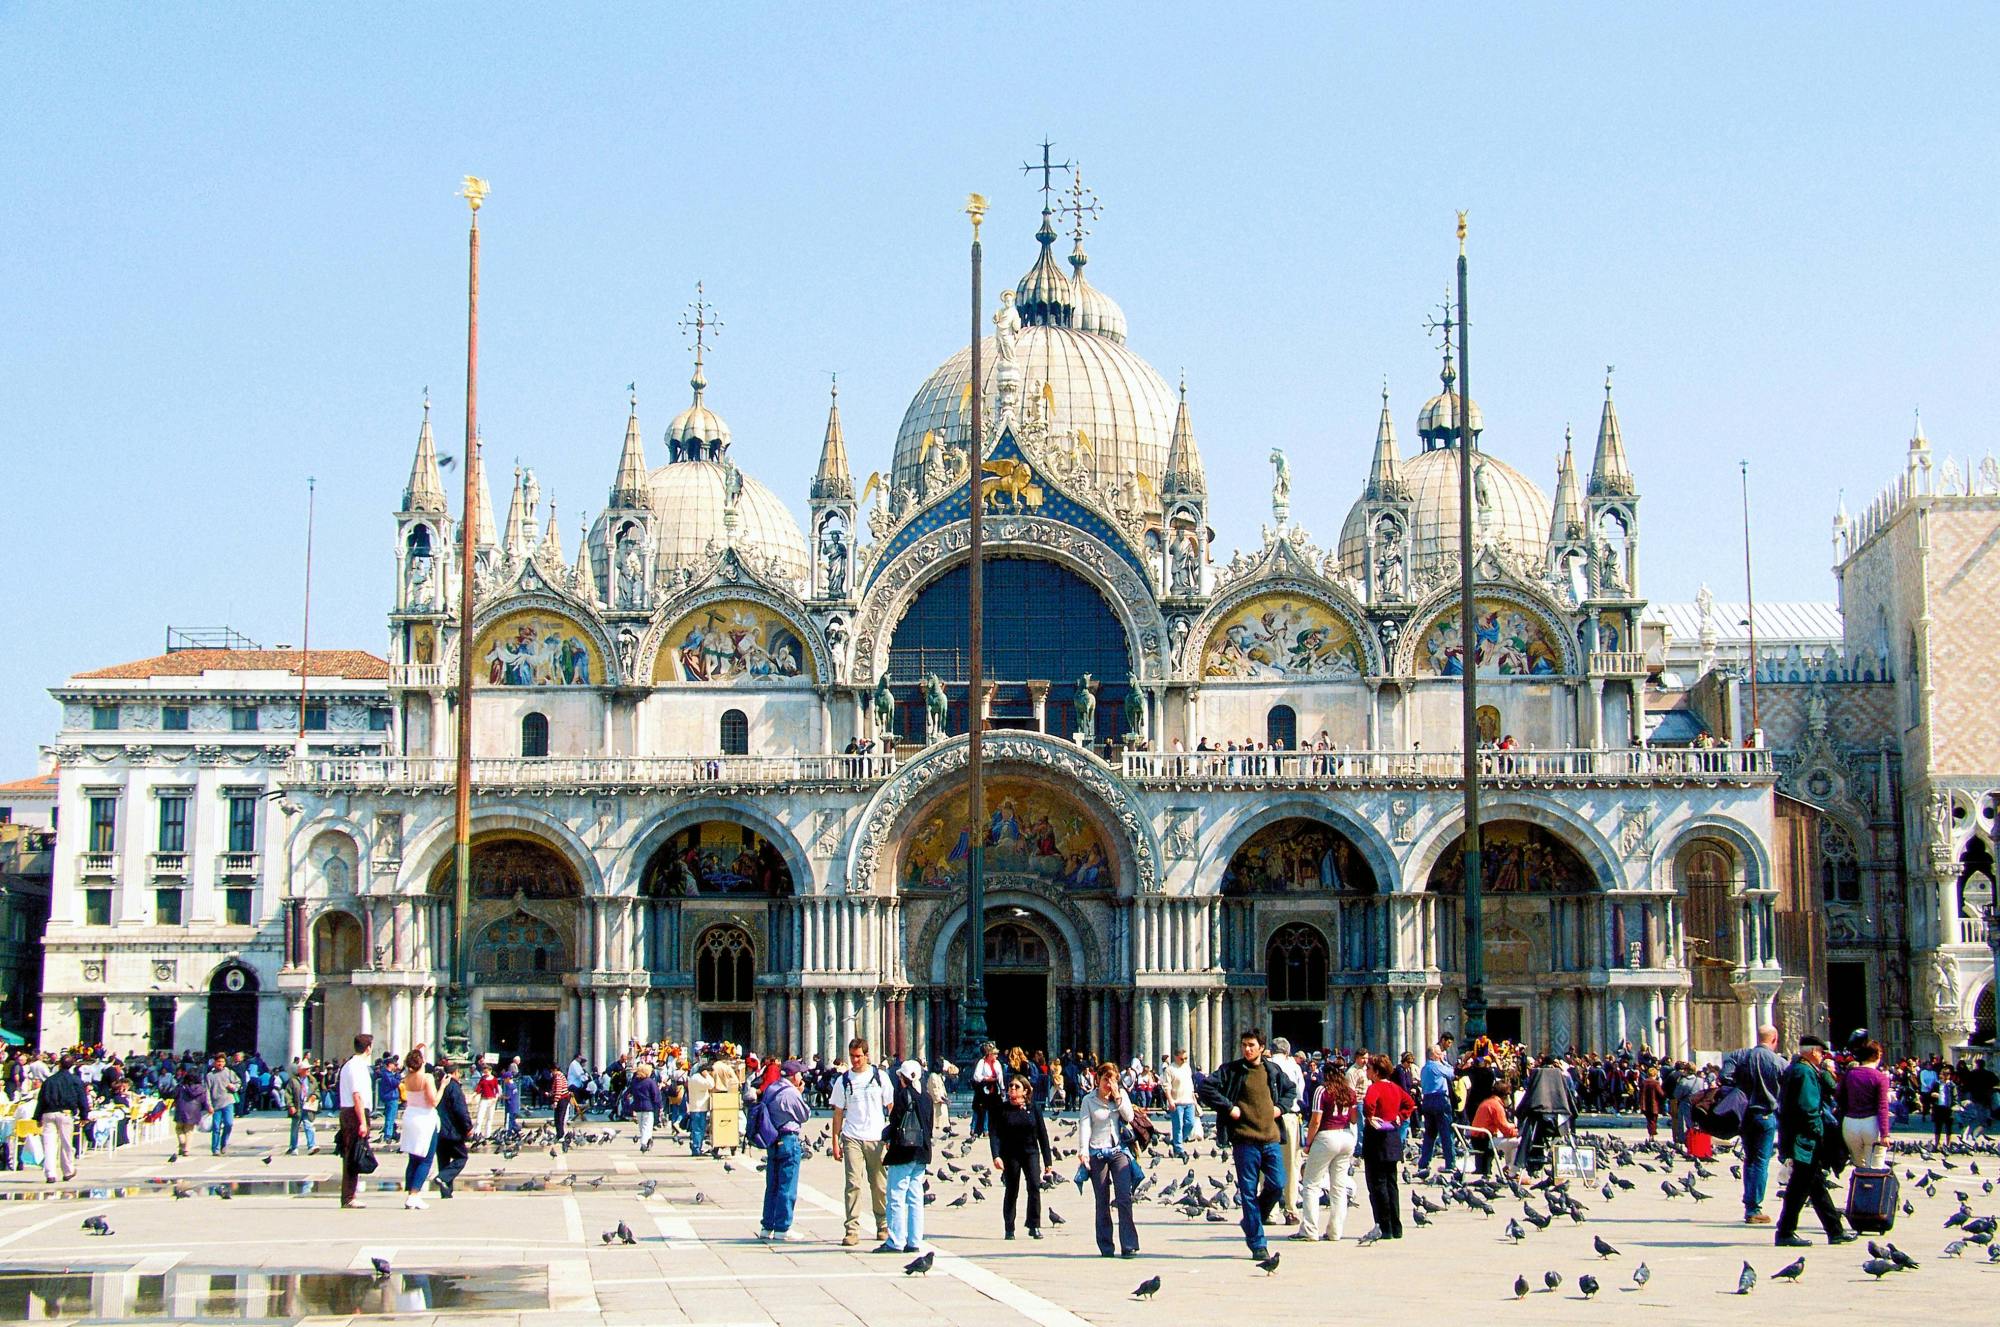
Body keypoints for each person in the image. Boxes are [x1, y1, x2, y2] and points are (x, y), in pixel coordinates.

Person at [1196, 1029, 1297, 1260]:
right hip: (1245, 1140)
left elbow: (1291, 1089)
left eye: (1251, 1045)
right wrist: (1228, 1107)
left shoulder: (1272, 1070)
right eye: (1244, 1045)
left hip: (1270, 1138)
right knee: (1249, 1193)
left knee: (1277, 1183)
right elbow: (1205, 1087)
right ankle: (1258, 1243)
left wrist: (1280, 1107)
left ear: (1262, 1047)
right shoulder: (1232, 1070)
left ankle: (1251, 1220)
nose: (1247, 1049)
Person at [1773, 1035, 1852, 1248]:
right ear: (1811, 1051)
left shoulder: (1795, 1069)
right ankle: (1785, 1231)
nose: (1822, 1056)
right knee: (1800, 1187)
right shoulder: (1805, 1072)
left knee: (1813, 1184)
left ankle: (1834, 1230)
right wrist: (1820, 1133)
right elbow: (1809, 1108)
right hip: (1805, 1140)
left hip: (1797, 1137)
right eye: (1820, 1052)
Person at [829, 1037, 894, 1247]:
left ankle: (883, 1225)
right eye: (852, 1057)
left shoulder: (880, 1077)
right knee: (853, 1184)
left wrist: (892, 1135)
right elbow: (838, 1113)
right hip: (852, 1137)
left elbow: (891, 1107)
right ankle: (852, 1229)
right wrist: (835, 1141)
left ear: (867, 1055)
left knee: (879, 1184)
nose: (855, 1060)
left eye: (858, 1056)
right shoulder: (843, 1080)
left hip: (876, 1137)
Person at [1720, 1024, 1787, 1225]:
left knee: (1749, 1159)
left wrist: (1741, 1088)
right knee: (1760, 1161)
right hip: (1765, 1114)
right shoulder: (1779, 1062)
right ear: (1774, 1039)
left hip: (1744, 1115)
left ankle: (1749, 1203)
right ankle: (1754, 1208)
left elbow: (1725, 1076)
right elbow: (1788, 1088)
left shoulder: (1741, 1055)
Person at [1077, 1061, 1140, 1258]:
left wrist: (1118, 1096)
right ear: (1098, 1079)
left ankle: (1128, 1244)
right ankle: (1106, 1245)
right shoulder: (1089, 1100)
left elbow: (1129, 1117)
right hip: (1097, 1152)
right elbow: (1085, 1125)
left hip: (1118, 1151)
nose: (1109, 1084)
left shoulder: (1120, 1096)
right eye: (1106, 1079)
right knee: (1102, 1200)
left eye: (1113, 1080)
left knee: (1124, 1197)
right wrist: (1083, 1151)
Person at [1357, 1053, 1415, 1243]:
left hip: (1376, 1139)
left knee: (1377, 1184)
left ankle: (1385, 1227)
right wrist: (1399, 1116)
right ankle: (1396, 1227)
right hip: (1392, 1137)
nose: (1366, 1071)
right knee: (1392, 1184)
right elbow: (1410, 1103)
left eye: (1369, 1069)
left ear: (1375, 1072)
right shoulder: (1396, 1088)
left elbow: (1368, 1104)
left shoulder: (1375, 1087)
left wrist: (1371, 1117)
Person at [1297, 1065, 1359, 1242]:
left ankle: (1309, 1230)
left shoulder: (1322, 1091)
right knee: (1339, 1187)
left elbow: (1316, 1120)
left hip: (1326, 1136)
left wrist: (1308, 1143)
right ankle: (1335, 1232)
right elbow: (1354, 1119)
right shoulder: (1349, 1092)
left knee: (1311, 1184)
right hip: (1346, 1137)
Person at [989, 1074, 1054, 1239]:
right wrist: (996, 1156)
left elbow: (1043, 1135)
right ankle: (1009, 1228)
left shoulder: (1034, 1109)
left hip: (1031, 1152)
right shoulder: (1002, 1109)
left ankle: (1034, 1225)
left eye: (1016, 1086)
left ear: (1025, 1091)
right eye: (1011, 1086)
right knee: (1012, 1189)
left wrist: (1048, 1161)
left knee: (1034, 1186)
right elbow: (994, 1134)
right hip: (1010, 1154)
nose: (1012, 1089)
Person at [881, 1059, 935, 1253]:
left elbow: (896, 1121)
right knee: (915, 1198)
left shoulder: (904, 1095)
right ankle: (914, 1241)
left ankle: (895, 1241)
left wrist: (886, 1136)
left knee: (896, 1195)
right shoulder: (927, 1097)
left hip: (904, 1150)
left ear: (903, 1078)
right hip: (922, 1151)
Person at [756, 1060, 812, 1242]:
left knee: (772, 1185)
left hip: (772, 1140)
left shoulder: (771, 1088)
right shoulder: (791, 1093)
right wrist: (800, 1094)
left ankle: (767, 1226)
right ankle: (782, 1228)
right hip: (788, 1140)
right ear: (794, 1076)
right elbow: (805, 1115)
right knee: (787, 1185)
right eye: (800, 1074)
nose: (802, 1077)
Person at [32, 1052, 89, 1184]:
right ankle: (68, 1171)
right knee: (66, 1143)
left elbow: (42, 1099)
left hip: (48, 1113)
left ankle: (50, 1173)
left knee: (49, 1144)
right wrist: (84, 1115)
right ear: (72, 1065)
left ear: (59, 1064)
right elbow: (82, 1098)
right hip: (65, 1113)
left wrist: (37, 1116)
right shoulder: (75, 1080)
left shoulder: (49, 1080)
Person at [1268, 1036, 1306, 1223]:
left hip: (1267, 1118)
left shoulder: (1263, 1065)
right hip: (1289, 1116)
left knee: (1266, 1165)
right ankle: (1291, 1211)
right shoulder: (1294, 1067)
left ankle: (1270, 1211)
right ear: (1288, 1051)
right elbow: (1299, 1093)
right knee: (1291, 1164)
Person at [336, 1033, 376, 1209]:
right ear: (368, 1048)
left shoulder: (349, 1065)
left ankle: (349, 1195)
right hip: (354, 1113)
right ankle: (348, 1197)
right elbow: (357, 1096)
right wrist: (362, 1122)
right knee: (353, 1154)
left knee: (352, 1153)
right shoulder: (356, 1067)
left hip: (350, 1111)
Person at [398, 1048, 441, 1210]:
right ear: (422, 1061)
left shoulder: (407, 1078)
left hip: (410, 1117)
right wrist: (442, 1086)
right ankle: (414, 1195)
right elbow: (433, 1101)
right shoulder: (426, 1078)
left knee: (413, 1158)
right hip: (425, 1119)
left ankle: (411, 1192)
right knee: (426, 1158)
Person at [433, 1057, 473, 1199]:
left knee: (443, 1160)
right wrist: (468, 1126)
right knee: (461, 1157)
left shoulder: (439, 1085)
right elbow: (460, 1110)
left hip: (439, 1129)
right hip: (452, 1130)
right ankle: (443, 1178)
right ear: (456, 1073)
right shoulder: (454, 1087)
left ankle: (446, 1192)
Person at [1416, 1044, 1458, 1173]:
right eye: (1439, 1052)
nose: (1441, 1054)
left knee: (1430, 1133)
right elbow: (1452, 1074)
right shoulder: (1437, 1066)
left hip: (1427, 1100)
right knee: (1446, 1133)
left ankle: (1424, 1163)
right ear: (1433, 1054)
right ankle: (1450, 1163)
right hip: (1439, 1099)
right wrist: (1444, 1061)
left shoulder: (1424, 1068)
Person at [1162, 1048, 1198, 1158]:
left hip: (1189, 1101)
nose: (1184, 1061)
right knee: (1178, 1126)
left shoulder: (1187, 1067)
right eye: (1182, 1058)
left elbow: (1190, 1083)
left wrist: (1194, 1098)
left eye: (1186, 1058)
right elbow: (1166, 1087)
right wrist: (1170, 1100)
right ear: (1176, 1057)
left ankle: (1177, 1142)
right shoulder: (1169, 1069)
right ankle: (1179, 1149)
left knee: (1190, 1123)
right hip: (1177, 1102)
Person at [204, 1053, 242, 1157]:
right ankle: (215, 1148)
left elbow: (239, 1082)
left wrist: (233, 1087)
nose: (220, 1064)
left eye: (222, 1062)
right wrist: (209, 1105)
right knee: (216, 1127)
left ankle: (224, 1143)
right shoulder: (210, 1076)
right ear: (214, 1063)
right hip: (216, 1105)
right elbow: (206, 1091)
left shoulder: (229, 1072)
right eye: (218, 1062)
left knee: (229, 1124)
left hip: (228, 1102)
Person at [171, 1066, 210, 1159]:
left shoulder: (181, 1086)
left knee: (179, 1129)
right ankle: (186, 1149)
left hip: (181, 1109)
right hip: (194, 1111)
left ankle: (182, 1142)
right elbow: (204, 1101)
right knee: (189, 1131)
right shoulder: (201, 1089)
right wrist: (208, 1108)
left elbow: (173, 1095)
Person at [626, 1062, 662, 1153]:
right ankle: (644, 1143)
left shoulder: (634, 1082)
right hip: (648, 1107)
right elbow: (656, 1095)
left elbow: (628, 1093)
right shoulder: (650, 1082)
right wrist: (659, 1106)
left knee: (642, 1126)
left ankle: (647, 1141)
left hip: (637, 1106)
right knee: (647, 1125)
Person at [970, 1042, 1003, 1137]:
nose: (997, 1056)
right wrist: (985, 1078)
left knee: (991, 1109)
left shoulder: (997, 1063)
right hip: (983, 1088)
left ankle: (988, 1128)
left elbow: (1000, 1076)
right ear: (990, 1054)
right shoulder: (982, 1062)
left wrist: (1002, 1088)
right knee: (980, 1108)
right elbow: (976, 1076)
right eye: (995, 1054)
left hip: (993, 1087)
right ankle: (978, 1128)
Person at [285, 1062, 319, 1155]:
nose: (308, 1070)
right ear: (300, 1070)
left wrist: (315, 1096)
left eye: (309, 1069)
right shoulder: (293, 1081)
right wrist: (290, 1105)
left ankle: (311, 1146)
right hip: (297, 1107)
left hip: (308, 1107)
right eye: (306, 1069)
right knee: (295, 1127)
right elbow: (288, 1094)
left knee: (309, 1125)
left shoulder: (312, 1080)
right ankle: (293, 1147)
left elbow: (317, 1090)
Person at [686, 1059, 714, 1156]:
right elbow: (711, 1085)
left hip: (696, 1106)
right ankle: (696, 1148)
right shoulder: (698, 1079)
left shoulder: (693, 1077)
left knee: (697, 1129)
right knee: (699, 1129)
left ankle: (697, 1147)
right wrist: (707, 1076)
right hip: (699, 1107)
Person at [471, 1064, 499, 1140]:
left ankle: (487, 1134)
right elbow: (478, 1088)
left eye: (486, 1072)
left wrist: (496, 1098)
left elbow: (496, 1090)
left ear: (490, 1071)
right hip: (484, 1099)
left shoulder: (494, 1079)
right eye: (484, 1072)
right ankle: (476, 1133)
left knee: (490, 1118)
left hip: (492, 1099)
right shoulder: (483, 1078)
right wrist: (473, 1095)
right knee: (480, 1117)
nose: (485, 1073)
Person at [1637, 1066, 1666, 1139]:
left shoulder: (1644, 1082)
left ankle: (1651, 1133)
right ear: (1655, 1074)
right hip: (1654, 1104)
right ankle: (1652, 1134)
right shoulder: (1656, 1083)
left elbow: (1640, 1093)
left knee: (1649, 1120)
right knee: (1653, 1120)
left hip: (1645, 1104)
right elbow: (1661, 1094)